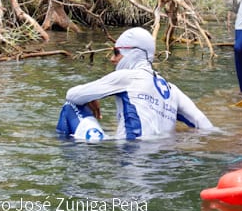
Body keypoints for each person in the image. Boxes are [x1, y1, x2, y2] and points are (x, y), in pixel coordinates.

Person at [60, 27, 214, 139]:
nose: (112, 59)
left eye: (116, 53)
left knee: (70, 106)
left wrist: (89, 98)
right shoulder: (172, 90)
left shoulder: (127, 77)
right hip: (160, 165)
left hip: (129, 158)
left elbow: (72, 95)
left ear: (132, 52)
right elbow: (204, 125)